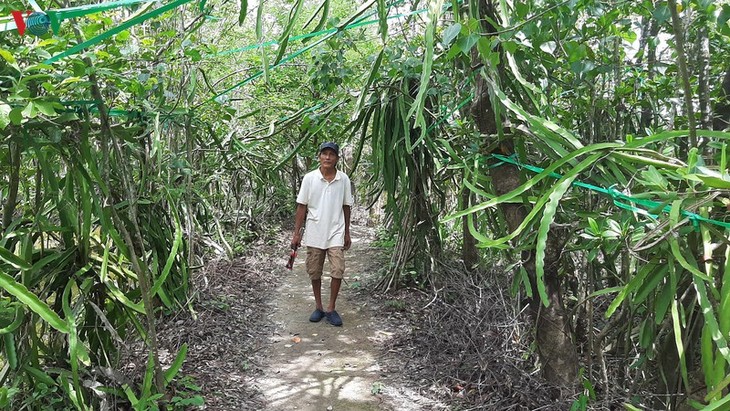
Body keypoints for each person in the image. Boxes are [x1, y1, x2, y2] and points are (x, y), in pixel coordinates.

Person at [290, 142, 353, 326]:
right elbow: (302, 206)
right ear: (319, 156)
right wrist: (296, 234)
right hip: (315, 231)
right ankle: (318, 306)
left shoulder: (343, 180)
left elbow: (346, 206)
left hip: (336, 230)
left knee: (338, 270)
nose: (327, 157)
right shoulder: (310, 178)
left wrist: (347, 232)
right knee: (315, 271)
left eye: (331, 154)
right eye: (324, 154)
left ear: (336, 159)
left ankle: (331, 308)